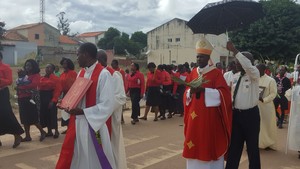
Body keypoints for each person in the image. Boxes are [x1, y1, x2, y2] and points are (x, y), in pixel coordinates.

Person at [56, 43, 117, 169]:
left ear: (86, 54)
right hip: (78, 124)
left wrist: (83, 112)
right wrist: (65, 103)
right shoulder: (81, 73)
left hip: (95, 127)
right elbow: (76, 95)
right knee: (78, 157)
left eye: (78, 55)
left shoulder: (103, 75)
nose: (76, 58)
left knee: (96, 157)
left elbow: (108, 104)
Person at [182, 37, 232, 169]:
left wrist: (204, 90)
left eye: (202, 57)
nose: (199, 60)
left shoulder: (216, 74)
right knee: (193, 141)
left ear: (208, 58)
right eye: (198, 57)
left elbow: (224, 94)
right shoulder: (193, 72)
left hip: (209, 117)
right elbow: (186, 91)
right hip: (194, 116)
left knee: (207, 141)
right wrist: (189, 92)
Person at [225, 41, 261, 169]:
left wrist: (235, 50)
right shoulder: (234, 77)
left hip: (250, 116)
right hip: (237, 115)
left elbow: (248, 67)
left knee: (252, 148)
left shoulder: (254, 75)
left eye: (239, 60)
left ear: (248, 62)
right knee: (234, 147)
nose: (236, 62)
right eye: (236, 60)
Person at [97, 50, 127, 169]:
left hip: (109, 117)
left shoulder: (113, 75)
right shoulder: (93, 73)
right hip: (95, 116)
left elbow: (121, 97)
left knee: (110, 146)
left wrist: (104, 105)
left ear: (101, 60)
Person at [16, 59, 46, 142]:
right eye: (26, 65)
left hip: (30, 98)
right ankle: (28, 136)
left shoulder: (36, 75)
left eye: (29, 65)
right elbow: (18, 82)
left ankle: (42, 132)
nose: (27, 67)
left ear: (33, 66)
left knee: (33, 117)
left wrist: (21, 87)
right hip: (21, 98)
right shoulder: (24, 74)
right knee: (24, 118)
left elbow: (33, 85)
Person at [0, 52, 24, 148]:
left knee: (6, 113)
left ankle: (17, 134)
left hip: (2, 92)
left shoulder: (6, 67)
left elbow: (9, 81)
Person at [257, 63, 277, 150]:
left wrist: (264, 100)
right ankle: (256, 143)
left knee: (267, 125)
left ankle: (268, 143)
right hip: (255, 105)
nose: (257, 71)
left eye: (259, 69)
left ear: (264, 70)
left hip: (267, 106)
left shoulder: (270, 80)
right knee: (256, 125)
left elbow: (273, 94)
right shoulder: (254, 79)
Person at [39, 64, 61, 139]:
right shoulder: (42, 78)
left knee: (53, 114)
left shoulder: (56, 78)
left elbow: (57, 91)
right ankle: (49, 131)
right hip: (43, 97)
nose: (47, 69)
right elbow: (39, 86)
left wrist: (53, 100)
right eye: (46, 67)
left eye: (49, 67)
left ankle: (56, 131)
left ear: (53, 69)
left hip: (51, 97)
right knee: (46, 114)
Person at [59, 58, 77, 134]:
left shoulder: (73, 73)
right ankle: (68, 128)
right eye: (63, 63)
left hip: (72, 94)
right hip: (65, 94)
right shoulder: (62, 74)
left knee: (71, 112)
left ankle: (73, 128)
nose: (64, 65)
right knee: (65, 112)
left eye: (66, 63)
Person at [111, 59, 126, 124]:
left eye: (113, 64)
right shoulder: (112, 71)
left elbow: (123, 82)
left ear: (116, 64)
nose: (112, 65)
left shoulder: (121, 71)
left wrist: (124, 90)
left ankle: (121, 119)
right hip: (115, 90)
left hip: (121, 90)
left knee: (120, 106)